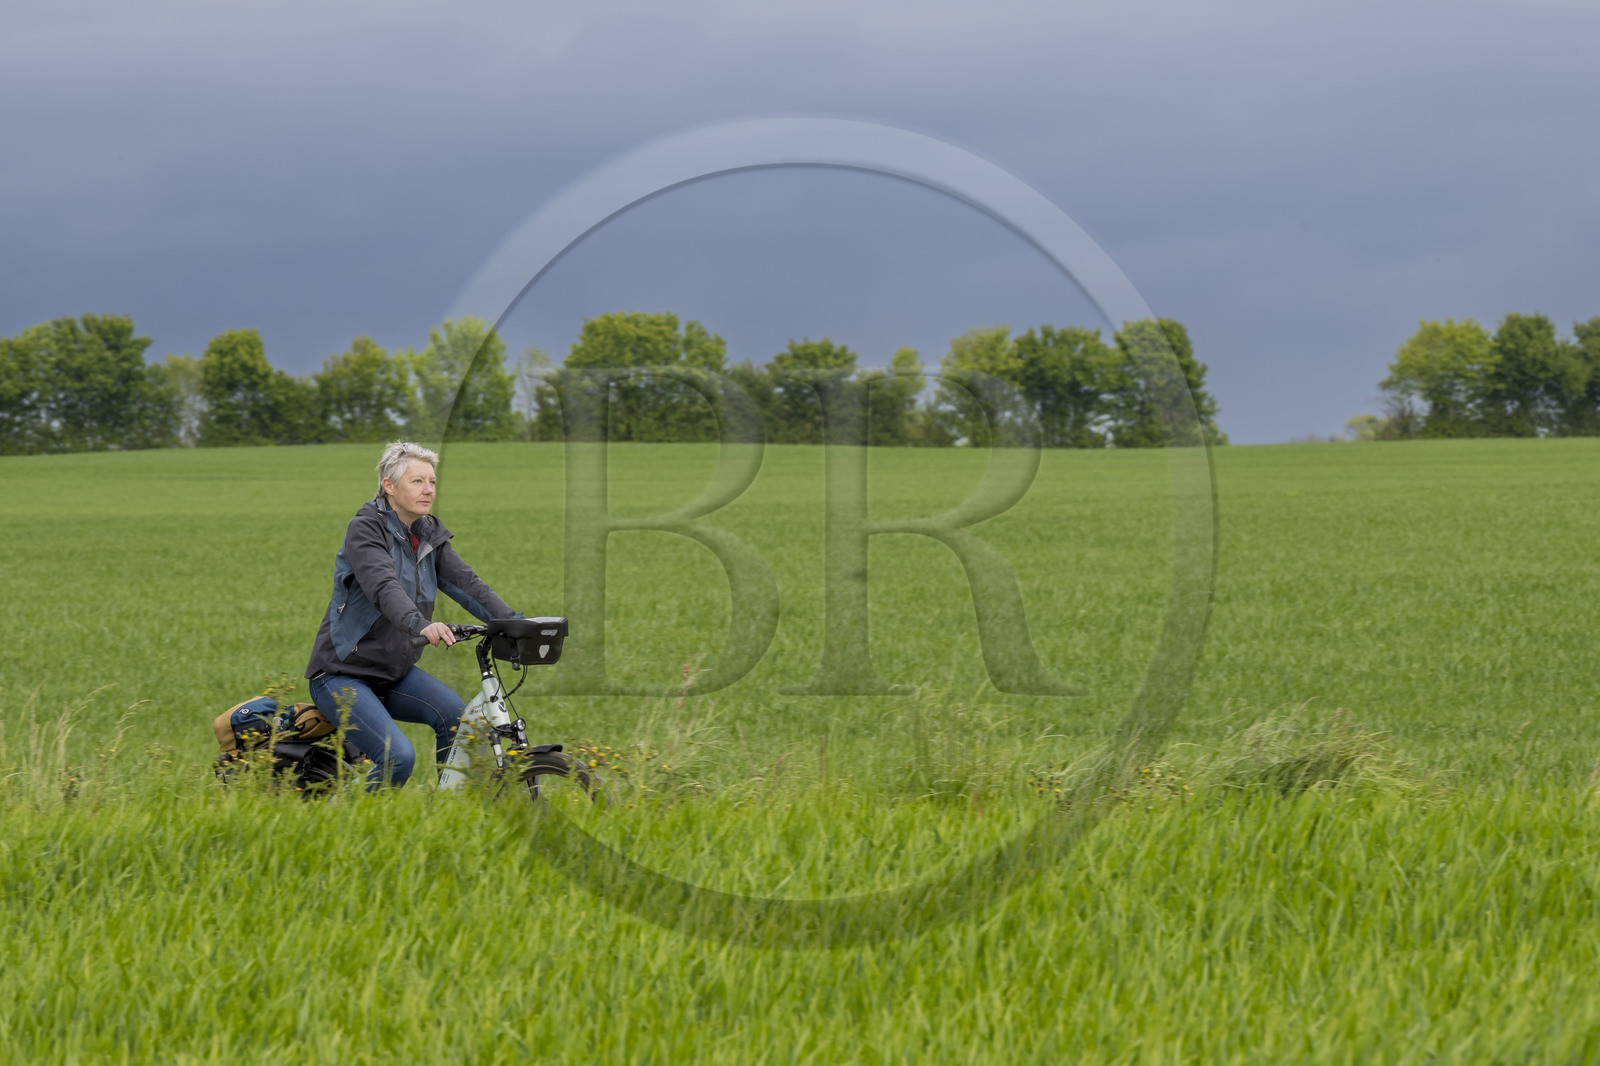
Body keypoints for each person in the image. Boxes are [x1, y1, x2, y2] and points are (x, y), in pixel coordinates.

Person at [304, 441, 520, 786]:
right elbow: (383, 587)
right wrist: (419, 624)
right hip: (342, 674)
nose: (429, 490)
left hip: (393, 672)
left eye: (432, 482)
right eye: (418, 481)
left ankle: (444, 811)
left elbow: (466, 584)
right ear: (389, 486)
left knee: (456, 720)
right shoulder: (365, 529)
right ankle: (355, 825)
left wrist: (515, 622)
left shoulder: (428, 532)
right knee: (397, 757)